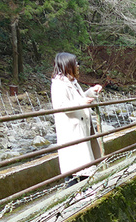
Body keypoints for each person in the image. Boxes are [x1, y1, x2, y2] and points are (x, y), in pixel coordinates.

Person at [51, 52, 103, 186]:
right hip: (72, 130)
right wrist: (82, 102)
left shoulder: (71, 82)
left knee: (83, 165)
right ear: (67, 65)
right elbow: (62, 107)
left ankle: (84, 191)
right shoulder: (58, 85)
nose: (77, 66)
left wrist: (91, 92)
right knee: (75, 167)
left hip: (81, 128)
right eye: (75, 63)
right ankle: (75, 196)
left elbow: (78, 100)